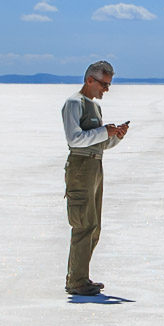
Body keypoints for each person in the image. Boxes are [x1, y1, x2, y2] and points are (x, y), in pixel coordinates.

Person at [61, 61, 128, 296]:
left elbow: (97, 143)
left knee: (93, 226)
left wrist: (115, 136)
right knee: (83, 224)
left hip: (94, 165)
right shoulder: (74, 103)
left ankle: (81, 276)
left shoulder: (93, 106)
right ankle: (76, 280)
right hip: (81, 168)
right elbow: (74, 139)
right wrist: (104, 131)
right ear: (90, 80)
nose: (106, 90)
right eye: (104, 84)